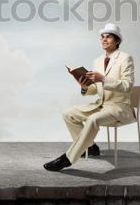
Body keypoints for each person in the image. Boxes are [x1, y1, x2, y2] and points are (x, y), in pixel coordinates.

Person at [43, 23, 135, 171]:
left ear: (117, 41)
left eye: (108, 37)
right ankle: (90, 147)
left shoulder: (126, 58)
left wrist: (103, 79)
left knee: (93, 120)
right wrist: (85, 86)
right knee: (68, 114)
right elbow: (95, 89)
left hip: (119, 107)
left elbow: (127, 85)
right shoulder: (97, 61)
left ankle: (68, 158)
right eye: (102, 37)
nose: (104, 40)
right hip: (100, 105)